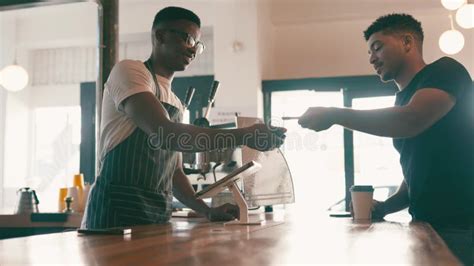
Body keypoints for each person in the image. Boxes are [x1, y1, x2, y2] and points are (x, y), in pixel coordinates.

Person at [81, 6, 286, 229]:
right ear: (160, 36)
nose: (193, 50)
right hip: (115, 211)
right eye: (188, 39)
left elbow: (175, 171)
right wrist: (245, 136)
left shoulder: (175, 102)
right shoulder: (130, 71)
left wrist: (206, 211)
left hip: (156, 213)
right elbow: (166, 134)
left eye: (197, 45)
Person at [298, 14, 473, 264]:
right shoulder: (402, 100)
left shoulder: (445, 71)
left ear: (407, 42)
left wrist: (334, 114)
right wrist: (385, 207)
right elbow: (417, 171)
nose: (371, 58)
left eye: (377, 47)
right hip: (425, 226)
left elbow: (410, 121)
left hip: (463, 228)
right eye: (369, 52)